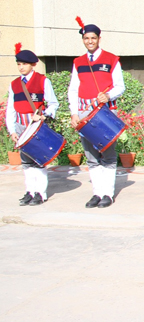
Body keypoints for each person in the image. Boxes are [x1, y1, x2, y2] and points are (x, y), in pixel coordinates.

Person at [69, 18, 125, 209]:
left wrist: (108, 95)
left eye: (93, 38)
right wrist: (74, 113)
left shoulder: (111, 59)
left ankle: (108, 194)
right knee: (91, 156)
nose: (90, 41)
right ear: (83, 40)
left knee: (107, 154)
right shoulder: (78, 62)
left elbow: (120, 86)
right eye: (86, 38)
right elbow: (73, 89)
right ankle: (97, 193)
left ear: (99, 38)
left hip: (105, 112)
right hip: (85, 113)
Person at [6, 44, 59, 206]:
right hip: (21, 127)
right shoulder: (14, 84)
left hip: (36, 127)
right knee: (26, 162)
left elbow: (53, 104)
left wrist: (44, 115)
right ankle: (30, 191)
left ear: (33, 64)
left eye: (24, 64)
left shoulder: (43, 81)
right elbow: (11, 109)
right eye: (19, 64)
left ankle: (40, 194)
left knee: (39, 160)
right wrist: (12, 130)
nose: (21, 67)